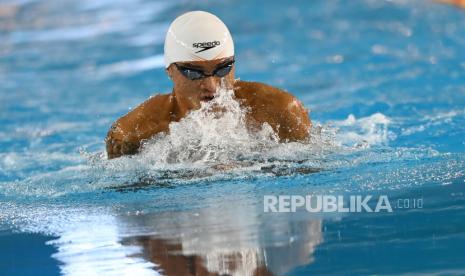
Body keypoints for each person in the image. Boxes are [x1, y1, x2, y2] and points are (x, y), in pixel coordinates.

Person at [106, 11, 311, 159]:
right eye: (193, 72)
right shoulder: (133, 133)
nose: (212, 86)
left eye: (223, 69)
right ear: (169, 70)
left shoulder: (280, 111)